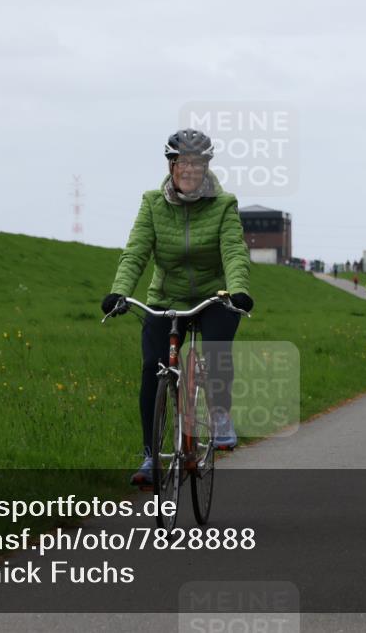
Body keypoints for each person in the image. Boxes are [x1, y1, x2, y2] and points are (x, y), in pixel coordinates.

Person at [102, 129, 253, 487]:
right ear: (171, 165)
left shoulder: (224, 203)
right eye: (182, 162)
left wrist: (238, 290)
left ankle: (219, 416)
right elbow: (136, 251)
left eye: (197, 163)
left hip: (214, 296)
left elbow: (233, 251)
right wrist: (119, 292)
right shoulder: (152, 202)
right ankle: (151, 455)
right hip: (166, 297)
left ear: (206, 166)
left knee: (216, 351)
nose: (189, 169)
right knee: (152, 368)